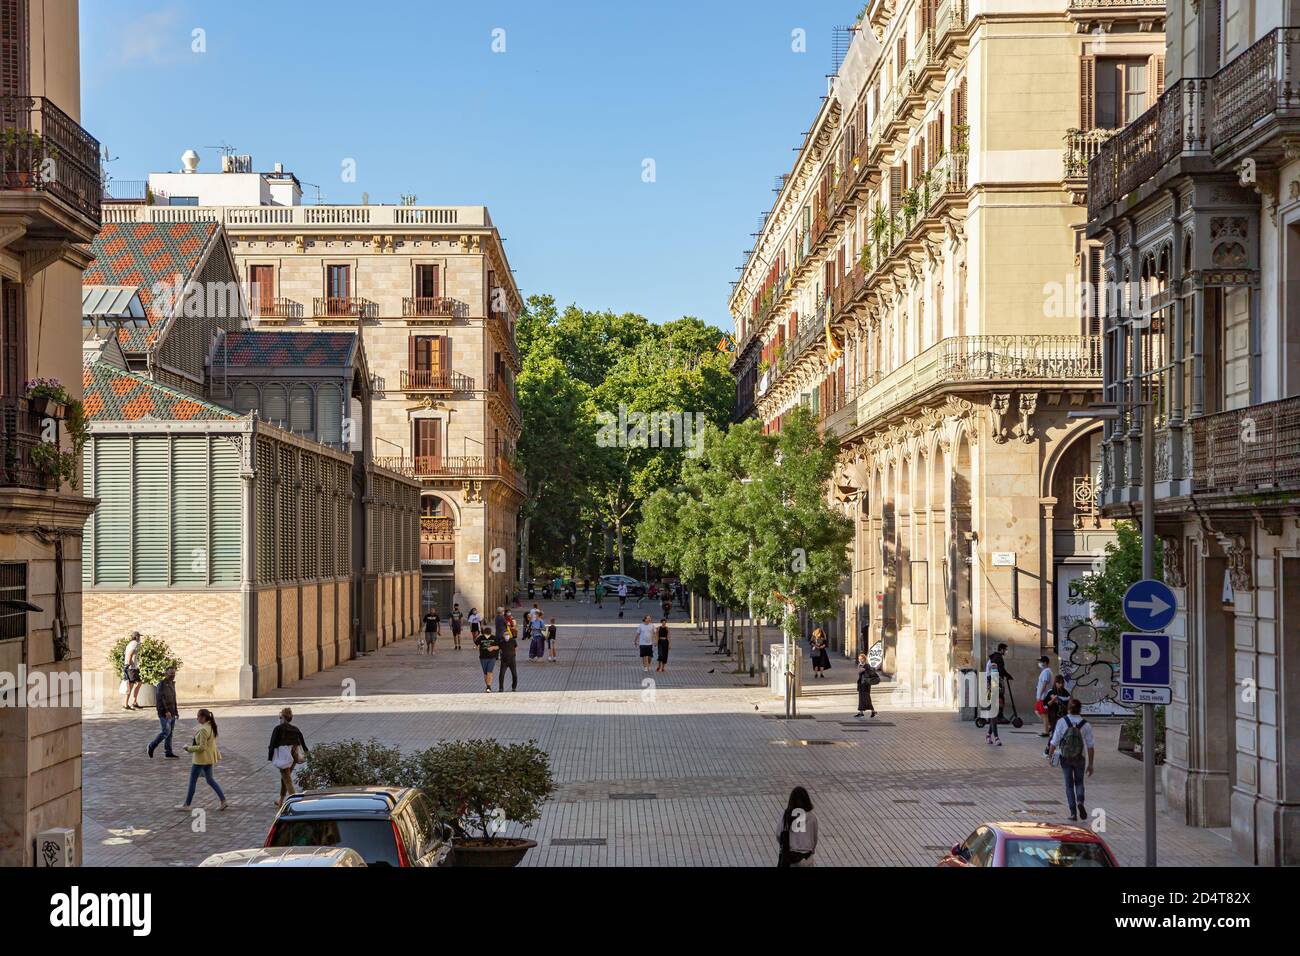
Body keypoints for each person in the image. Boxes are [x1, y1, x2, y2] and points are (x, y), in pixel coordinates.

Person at [1047, 698, 1096, 822]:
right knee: (1079, 782)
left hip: (1066, 757)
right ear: (1080, 709)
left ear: (1068, 708)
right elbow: (1090, 746)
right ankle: (1080, 801)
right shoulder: (1086, 724)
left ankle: (1073, 813)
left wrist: (1050, 755)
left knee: (1069, 785)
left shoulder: (1062, 722)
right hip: (1080, 757)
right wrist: (1090, 764)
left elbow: (1054, 741)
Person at [177, 708, 227, 811]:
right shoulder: (210, 726)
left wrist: (188, 748)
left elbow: (202, 747)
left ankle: (187, 804)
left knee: (192, 781)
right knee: (210, 780)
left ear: (203, 717)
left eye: (198, 716)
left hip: (200, 760)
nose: (197, 718)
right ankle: (223, 800)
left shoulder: (204, 729)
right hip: (208, 759)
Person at [268, 707, 310, 806]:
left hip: (283, 757)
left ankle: (295, 803)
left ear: (283, 717)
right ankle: (281, 801)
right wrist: (309, 756)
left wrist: (270, 757)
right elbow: (303, 744)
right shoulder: (295, 729)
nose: (279, 719)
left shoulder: (278, 729)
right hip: (294, 756)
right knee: (285, 778)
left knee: (287, 780)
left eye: (280, 717)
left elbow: (272, 743)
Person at [778, 786, 818, 867]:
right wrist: (812, 851)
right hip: (807, 857)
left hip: (791, 858)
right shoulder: (812, 817)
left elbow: (779, 834)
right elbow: (815, 838)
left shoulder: (786, 815)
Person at [148, 666, 179, 759]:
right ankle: (152, 745)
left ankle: (168, 752)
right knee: (166, 732)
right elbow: (160, 699)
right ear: (166, 674)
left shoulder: (172, 684)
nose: (172, 675)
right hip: (164, 713)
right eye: (170, 673)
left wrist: (176, 711)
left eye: (173, 673)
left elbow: (174, 699)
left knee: (170, 733)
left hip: (172, 712)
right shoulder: (161, 684)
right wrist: (166, 711)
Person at [985, 642, 1012, 746]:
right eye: (1006, 650)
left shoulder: (996, 657)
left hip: (993, 686)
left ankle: (988, 735)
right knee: (994, 713)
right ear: (1002, 650)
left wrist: (1007, 675)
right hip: (992, 687)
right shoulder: (997, 659)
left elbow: (1000, 671)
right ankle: (996, 737)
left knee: (994, 713)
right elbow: (998, 672)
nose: (1006, 652)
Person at [1042, 675, 1072, 755]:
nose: (1060, 685)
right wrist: (1052, 700)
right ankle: (1048, 749)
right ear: (1055, 683)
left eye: (1062, 683)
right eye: (1058, 683)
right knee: (1055, 732)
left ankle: (1063, 750)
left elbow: (1069, 703)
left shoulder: (1066, 693)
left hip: (1063, 716)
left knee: (1064, 733)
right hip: (1053, 716)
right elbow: (1046, 704)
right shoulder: (1051, 691)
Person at [477, 613, 501, 693]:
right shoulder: (480, 638)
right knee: (485, 673)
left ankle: (489, 687)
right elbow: (477, 645)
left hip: (492, 657)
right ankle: (487, 685)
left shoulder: (494, 638)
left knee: (489, 672)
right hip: (483, 657)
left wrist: (493, 647)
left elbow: (498, 646)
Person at [122, 631, 144, 710]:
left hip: (132, 668)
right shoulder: (135, 643)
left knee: (139, 683)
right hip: (131, 668)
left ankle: (134, 702)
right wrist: (129, 664)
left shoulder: (131, 643)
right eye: (139, 636)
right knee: (130, 686)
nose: (140, 638)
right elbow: (130, 654)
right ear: (136, 637)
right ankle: (125, 705)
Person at [498, 614, 519, 692]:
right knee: (502, 674)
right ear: (503, 635)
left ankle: (514, 687)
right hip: (504, 660)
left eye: (507, 634)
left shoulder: (512, 640)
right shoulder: (501, 642)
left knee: (514, 674)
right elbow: (499, 649)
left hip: (512, 659)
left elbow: (516, 647)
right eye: (505, 634)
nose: (506, 635)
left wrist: (513, 654)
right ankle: (501, 688)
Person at [855, 652, 879, 719]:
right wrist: (859, 667)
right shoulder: (861, 665)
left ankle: (873, 711)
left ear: (864, 659)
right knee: (861, 698)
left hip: (866, 684)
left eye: (861, 659)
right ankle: (861, 713)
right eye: (859, 659)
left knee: (866, 698)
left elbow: (860, 671)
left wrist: (860, 667)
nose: (859, 660)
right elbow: (859, 671)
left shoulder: (866, 666)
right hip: (861, 684)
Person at [1035, 655, 1054, 737]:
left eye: (1041, 662)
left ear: (1045, 663)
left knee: (1043, 714)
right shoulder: (1046, 671)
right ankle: (1049, 726)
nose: (1039, 663)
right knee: (1037, 711)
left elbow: (1045, 683)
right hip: (1043, 696)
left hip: (1044, 696)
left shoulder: (1046, 671)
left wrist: (1040, 694)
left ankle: (1047, 730)